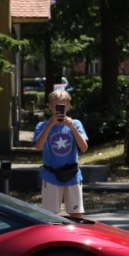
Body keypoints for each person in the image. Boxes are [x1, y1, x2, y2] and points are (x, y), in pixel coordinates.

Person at [32, 89, 89, 218]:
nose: (58, 109)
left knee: (76, 213)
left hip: (72, 175)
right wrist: (50, 125)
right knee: (49, 215)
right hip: (51, 175)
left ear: (68, 106)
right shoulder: (42, 125)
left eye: (62, 105)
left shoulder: (76, 124)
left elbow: (84, 148)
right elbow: (38, 147)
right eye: (55, 105)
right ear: (50, 107)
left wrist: (73, 128)